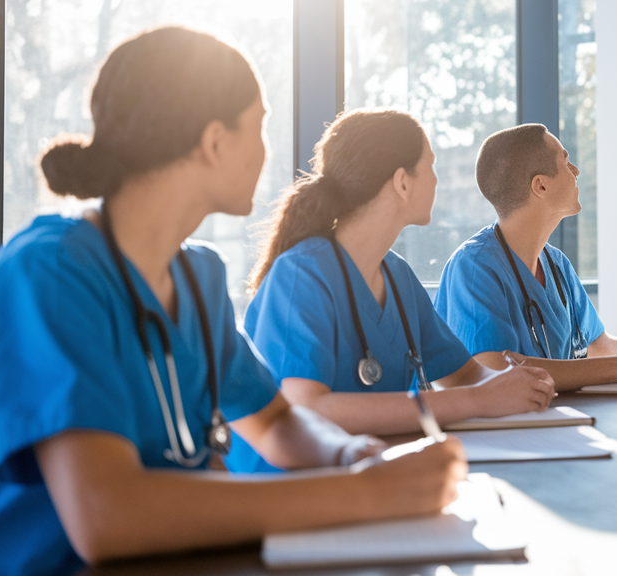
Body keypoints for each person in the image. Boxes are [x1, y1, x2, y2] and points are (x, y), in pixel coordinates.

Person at [0, 28, 465, 575]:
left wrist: (350, 455)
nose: (268, 151)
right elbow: (107, 516)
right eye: (261, 125)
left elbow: (275, 422)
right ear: (215, 141)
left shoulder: (197, 275)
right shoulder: (46, 275)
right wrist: (366, 495)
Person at [226, 110, 557, 473]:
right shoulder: (301, 274)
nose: (436, 179)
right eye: (430, 166)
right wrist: (477, 400)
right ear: (402, 182)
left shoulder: (397, 276)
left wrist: (518, 383)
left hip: (376, 476)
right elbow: (308, 408)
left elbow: (464, 374)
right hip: (294, 489)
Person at [437, 124, 617, 391]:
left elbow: (598, 345)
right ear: (540, 186)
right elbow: (493, 369)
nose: (576, 171)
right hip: (498, 431)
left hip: (554, 420)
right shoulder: (473, 267)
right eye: (566, 161)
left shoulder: (556, 264)